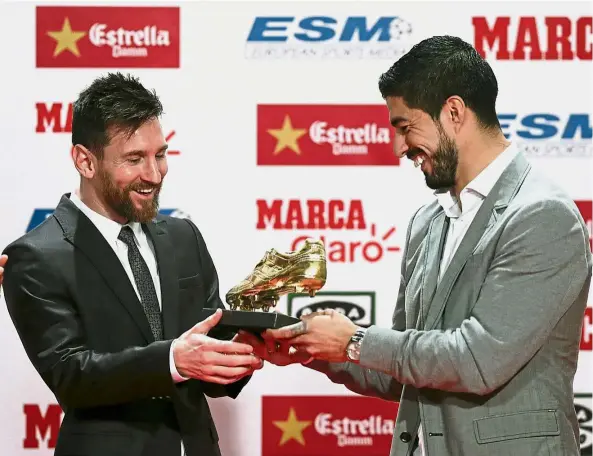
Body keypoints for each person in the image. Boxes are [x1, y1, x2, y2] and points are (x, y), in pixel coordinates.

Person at [242, 35, 592, 456]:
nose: (398, 147)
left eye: (406, 127)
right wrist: (313, 349)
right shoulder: (427, 223)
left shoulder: (541, 215)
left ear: (454, 112)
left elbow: (477, 361)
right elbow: (401, 369)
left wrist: (352, 340)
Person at [2, 73, 263, 456]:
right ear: (85, 161)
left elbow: (209, 358)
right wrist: (173, 359)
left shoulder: (183, 237)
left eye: (160, 154)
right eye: (134, 159)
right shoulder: (36, 255)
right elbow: (71, 375)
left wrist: (245, 351)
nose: (154, 175)